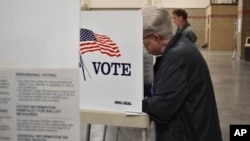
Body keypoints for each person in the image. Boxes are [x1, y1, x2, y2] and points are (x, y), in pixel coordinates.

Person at [141, 6, 222, 141]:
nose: (142, 44)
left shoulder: (176, 59)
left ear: (156, 38)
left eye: (143, 39)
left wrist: (131, 103)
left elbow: (161, 108)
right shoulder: (178, 48)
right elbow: (163, 88)